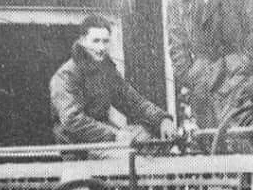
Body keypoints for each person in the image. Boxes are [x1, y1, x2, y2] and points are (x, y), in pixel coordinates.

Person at [49, 14, 176, 144]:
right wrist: (115, 135)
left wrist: (162, 120)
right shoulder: (66, 75)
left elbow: (133, 102)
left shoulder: (107, 71)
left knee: (148, 140)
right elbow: (72, 120)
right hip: (77, 145)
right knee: (134, 153)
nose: (101, 48)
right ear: (82, 41)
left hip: (105, 138)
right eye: (96, 41)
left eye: (105, 41)